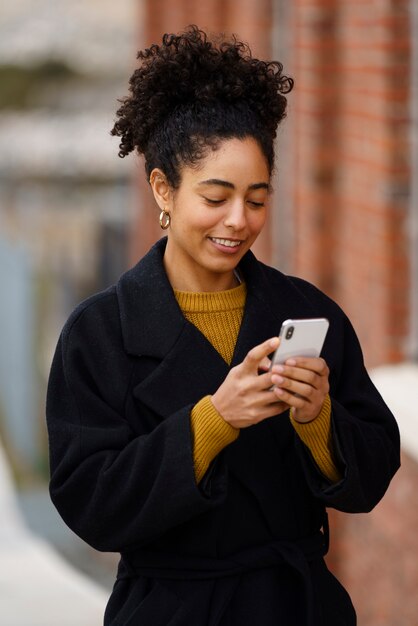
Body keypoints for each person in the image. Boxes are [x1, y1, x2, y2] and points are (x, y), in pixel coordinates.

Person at [46, 26, 400, 626]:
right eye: (216, 197)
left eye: (257, 199)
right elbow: (92, 504)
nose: (238, 221)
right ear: (163, 188)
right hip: (170, 609)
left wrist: (319, 422)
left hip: (299, 605)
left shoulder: (307, 313)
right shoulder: (100, 332)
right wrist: (214, 420)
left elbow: (372, 476)